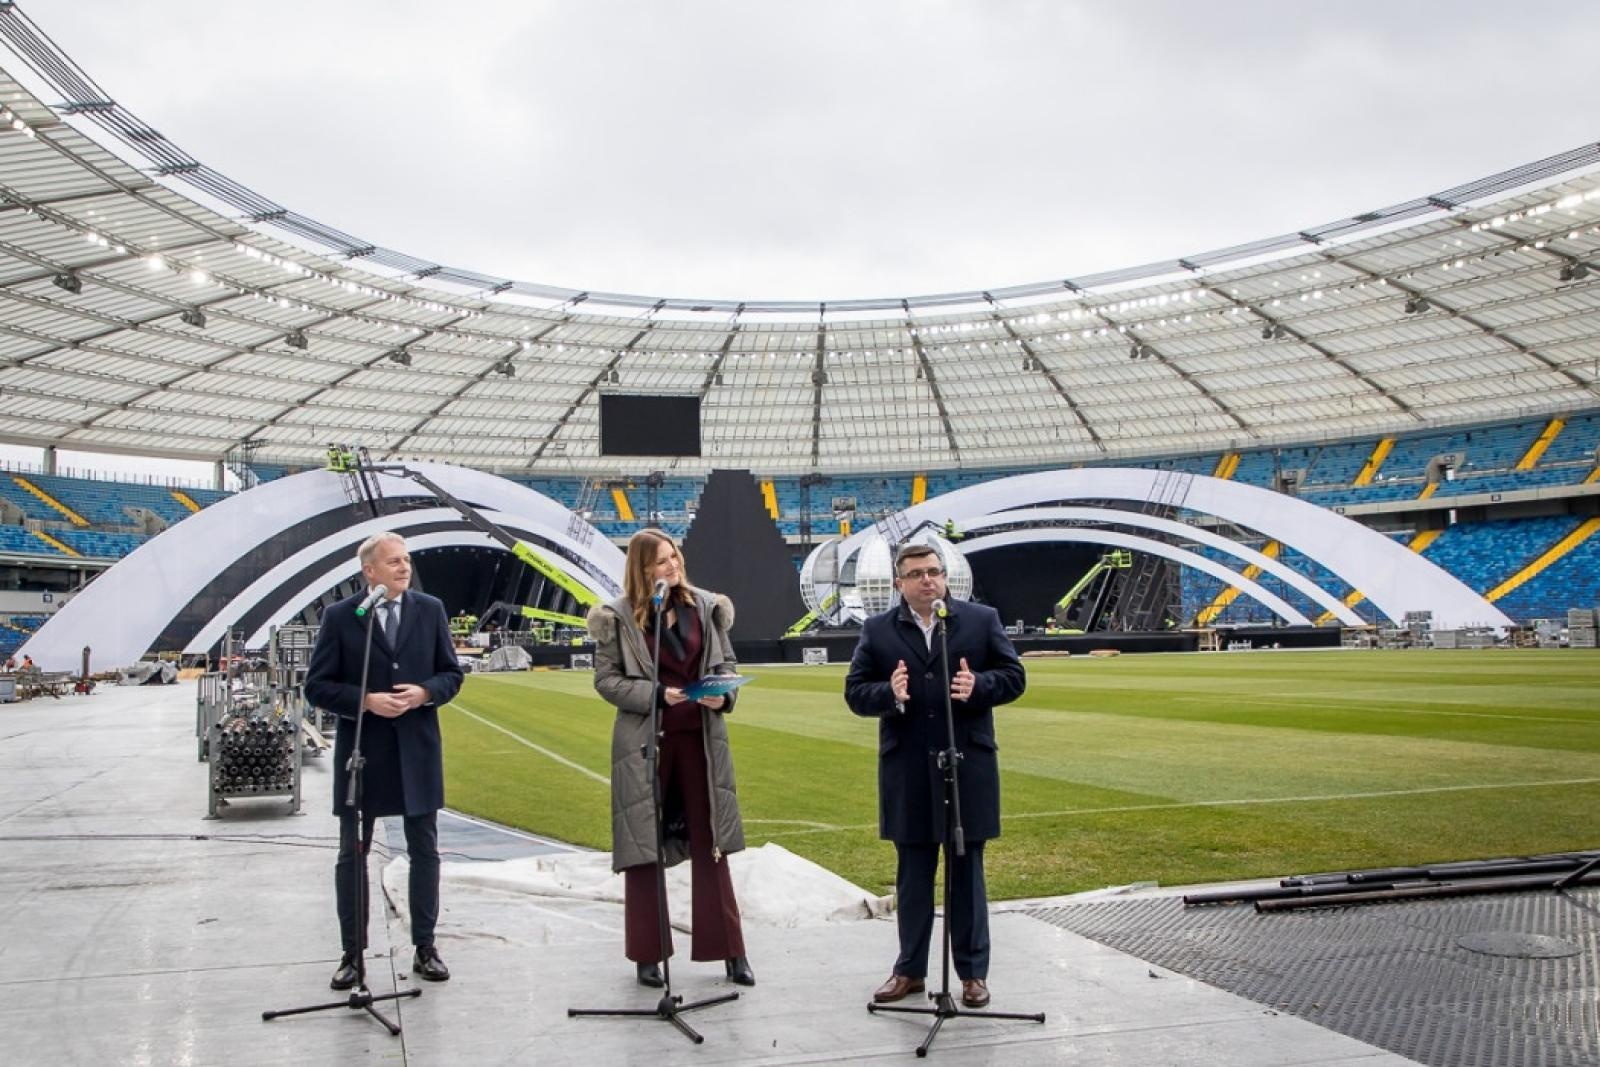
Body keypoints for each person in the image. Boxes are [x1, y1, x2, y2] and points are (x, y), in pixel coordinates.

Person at [845, 542, 1025, 1010]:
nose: (928, 580)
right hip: (908, 768)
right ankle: (908, 971)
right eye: (917, 574)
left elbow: (1014, 676)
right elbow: (855, 692)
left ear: (944, 577)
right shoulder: (878, 630)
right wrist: (890, 692)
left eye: (934, 571)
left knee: (967, 874)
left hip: (967, 766)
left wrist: (979, 685)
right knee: (914, 875)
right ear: (900, 582)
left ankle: (972, 975)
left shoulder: (980, 620)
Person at [587, 529, 754, 988]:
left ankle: (731, 951)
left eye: (674, 556)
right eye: (661, 561)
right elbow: (607, 682)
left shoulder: (705, 606)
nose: (672, 566)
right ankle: (648, 953)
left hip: (701, 741)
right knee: (644, 849)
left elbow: (725, 664)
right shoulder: (617, 617)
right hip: (645, 745)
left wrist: (723, 694)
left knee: (713, 844)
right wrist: (660, 694)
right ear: (642, 569)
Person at [305, 532, 463, 991]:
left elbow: (451, 673)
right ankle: (352, 955)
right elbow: (316, 685)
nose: (403, 568)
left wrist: (425, 692)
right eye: (393, 561)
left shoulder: (430, 609)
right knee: (351, 855)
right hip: (364, 754)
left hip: (417, 751)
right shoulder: (341, 617)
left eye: (407, 560)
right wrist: (366, 701)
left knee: (424, 852)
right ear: (369, 571)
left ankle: (425, 946)